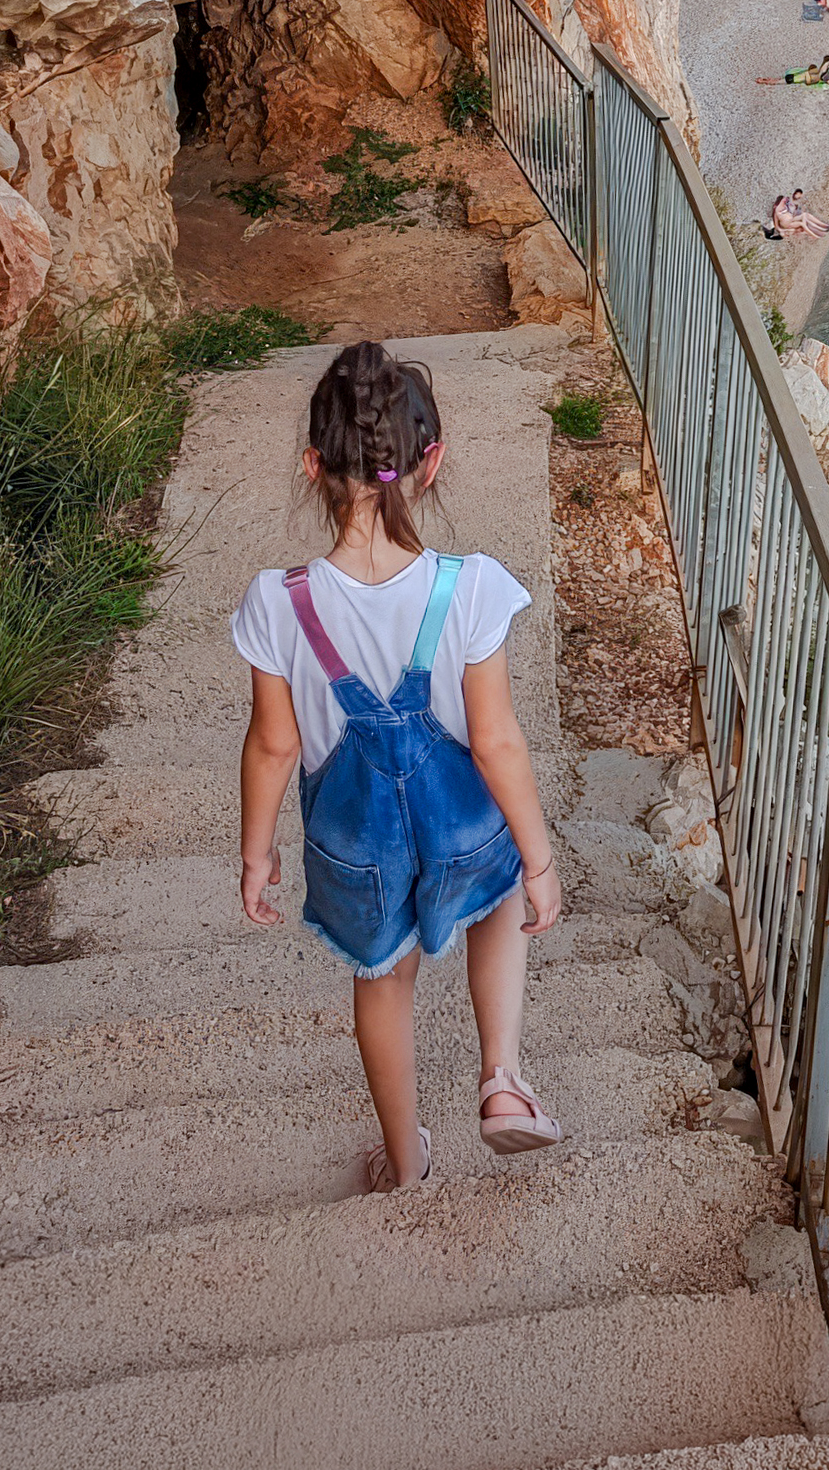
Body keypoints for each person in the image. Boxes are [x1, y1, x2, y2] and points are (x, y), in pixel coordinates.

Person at [232, 344, 565, 1192]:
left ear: (312, 466)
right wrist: (538, 858)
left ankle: (407, 1160)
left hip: (354, 842)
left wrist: (258, 852)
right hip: (463, 824)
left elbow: (274, 744)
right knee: (493, 907)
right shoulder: (472, 589)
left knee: (382, 977)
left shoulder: (279, 602)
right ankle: (501, 1081)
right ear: (432, 462)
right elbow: (496, 741)